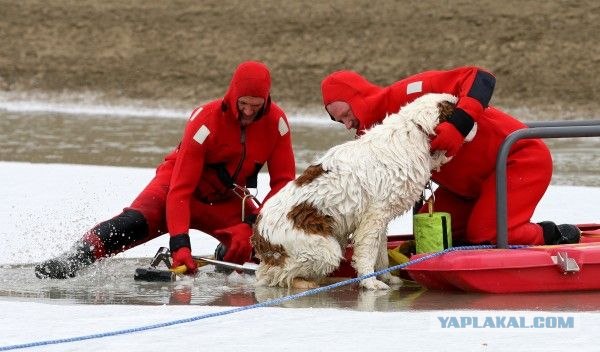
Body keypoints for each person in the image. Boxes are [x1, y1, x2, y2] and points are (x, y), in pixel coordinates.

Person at [35, 61, 296, 279]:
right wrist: (179, 243)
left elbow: (284, 182)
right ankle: (74, 257)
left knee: (265, 245)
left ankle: (222, 255)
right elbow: (180, 189)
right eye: (243, 104)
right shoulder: (205, 121)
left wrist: (256, 222)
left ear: (267, 100)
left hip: (224, 200)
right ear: (232, 94)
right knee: (133, 224)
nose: (248, 112)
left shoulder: (277, 123)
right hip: (174, 188)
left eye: (256, 105)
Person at [320, 66, 580, 246]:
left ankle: (553, 234)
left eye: (345, 114)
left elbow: (481, 78)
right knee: (430, 235)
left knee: (487, 234)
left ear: (358, 97)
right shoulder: (373, 137)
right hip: (464, 188)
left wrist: (458, 125)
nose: (346, 124)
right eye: (338, 121)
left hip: (517, 158)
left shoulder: (407, 93)